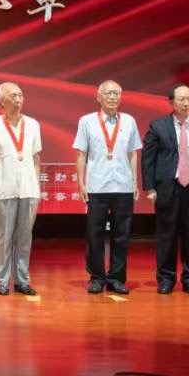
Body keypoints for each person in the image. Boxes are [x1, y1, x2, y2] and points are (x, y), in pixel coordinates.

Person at [142, 84, 189, 295]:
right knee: (166, 236)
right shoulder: (158, 126)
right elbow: (148, 159)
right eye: (182, 99)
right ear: (172, 102)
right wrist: (149, 187)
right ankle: (166, 279)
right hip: (167, 189)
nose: (187, 103)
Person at [73, 80, 141, 295]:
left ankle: (116, 278)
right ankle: (96, 277)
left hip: (123, 186)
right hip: (97, 186)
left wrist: (134, 181)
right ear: (98, 97)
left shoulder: (129, 121)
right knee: (95, 235)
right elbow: (81, 154)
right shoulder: (87, 121)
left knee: (122, 235)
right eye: (108, 93)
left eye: (116, 94)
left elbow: (133, 153)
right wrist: (81, 183)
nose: (112, 97)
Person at [0, 82, 41, 296]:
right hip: (3, 187)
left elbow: (36, 157)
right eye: (13, 95)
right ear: (2, 100)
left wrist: (36, 185)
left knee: (24, 237)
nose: (18, 99)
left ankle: (22, 280)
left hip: (28, 188)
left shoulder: (32, 124)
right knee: (3, 237)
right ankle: (2, 280)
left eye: (20, 95)